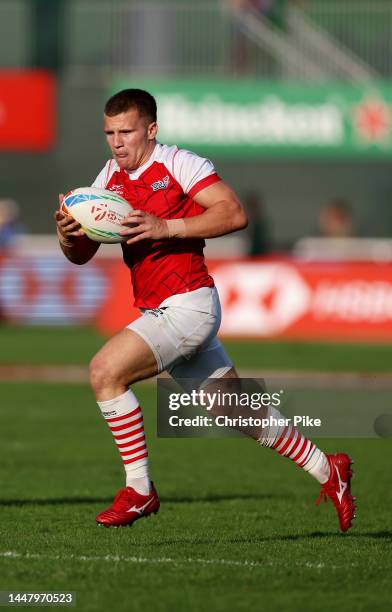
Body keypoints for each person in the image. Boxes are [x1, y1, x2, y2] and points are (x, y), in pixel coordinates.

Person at [54, 89, 356, 531]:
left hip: (188, 305)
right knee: (235, 409)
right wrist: (68, 233)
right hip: (165, 308)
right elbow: (79, 255)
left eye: (127, 131)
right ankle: (329, 469)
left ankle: (139, 490)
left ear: (151, 130)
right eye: (109, 133)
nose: (117, 142)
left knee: (105, 372)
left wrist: (167, 226)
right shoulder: (108, 179)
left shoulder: (180, 163)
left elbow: (233, 214)